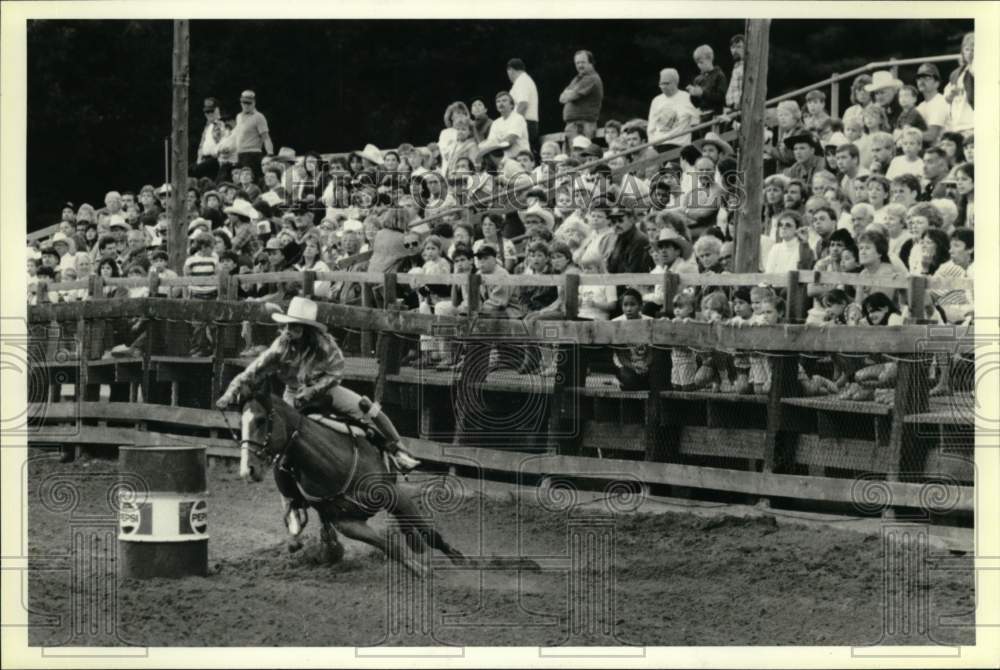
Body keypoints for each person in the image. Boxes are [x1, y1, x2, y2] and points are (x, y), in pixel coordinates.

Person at [648, 68, 698, 151]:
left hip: (678, 144)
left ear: (675, 82)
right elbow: (651, 126)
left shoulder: (686, 97)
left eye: (666, 83)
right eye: (661, 84)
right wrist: (650, 147)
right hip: (658, 145)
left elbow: (696, 122)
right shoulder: (656, 100)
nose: (663, 87)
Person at [559, 50, 603, 139]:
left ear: (591, 63)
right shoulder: (577, 79)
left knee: (581, 152)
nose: (580, 65)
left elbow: (571, 96)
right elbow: (561, 98)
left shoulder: (591, 78)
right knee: (574, 152)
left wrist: (570, 93)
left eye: (583, 62)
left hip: (582, 126)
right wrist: (569, 94)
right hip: (575, 126)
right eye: (577, 63)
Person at [232, 90, 274, 180]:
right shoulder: (238, 116)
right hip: (240, 154)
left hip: (252, 154)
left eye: (248, 103)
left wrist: (270, 155)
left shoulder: (258, 117)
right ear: (241, 102)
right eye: (244, 102)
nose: (246, 105)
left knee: (251, 180)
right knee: (239, 181)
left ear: (254, 103)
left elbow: (266, 137)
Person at [944, 32, 975, 134]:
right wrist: (951, 94)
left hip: (973, 123)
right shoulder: (956, 73)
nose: (970, 53)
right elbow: (947, 99)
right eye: (967, 49)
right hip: (957, 125)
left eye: (974, 50)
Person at [687, 45, 727, 120]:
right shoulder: (697, 79)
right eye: (697, 63)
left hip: (716, 116)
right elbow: (696, 104)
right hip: (702, 116)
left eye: (701, 62)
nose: (699, 65)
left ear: (710, 58)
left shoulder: (719, 75)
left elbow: (721, 98)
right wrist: (693, 95)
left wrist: (703, 93)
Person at [486, 91, 530, 160]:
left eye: (504, 100)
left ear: (512, 105)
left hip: (522, 158)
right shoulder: (495, 123)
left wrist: (495, 144)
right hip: (507, 160)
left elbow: (508, 143)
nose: (501, 103)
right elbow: (490, 144)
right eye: (498, 101)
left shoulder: (518, 118)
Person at [507, 58, 539, 148]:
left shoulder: (522, 81)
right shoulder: (524, 80)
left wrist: (513, 123)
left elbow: (523, 104)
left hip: (525, 123)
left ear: (510, 71)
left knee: (523, 154)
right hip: (525, 122)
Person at [724, 34, 745, 116]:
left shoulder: (748, 67)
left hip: (742, 109)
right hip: (733, 109)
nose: (735, 50)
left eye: (739, 47)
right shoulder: (736, 66)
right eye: (733, 47)